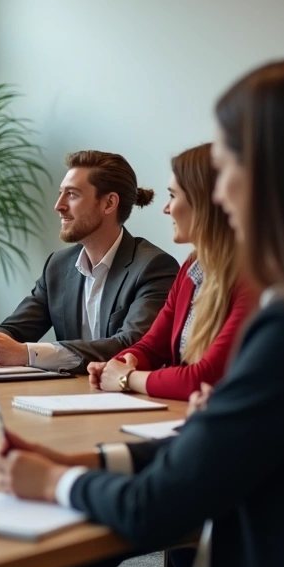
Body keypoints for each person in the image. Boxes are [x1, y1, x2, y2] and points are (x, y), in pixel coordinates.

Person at [0, 57, 284, 567]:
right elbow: (227, 448)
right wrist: (87, 461)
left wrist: (53, 483)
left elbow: (158, 509)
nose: (218, 194)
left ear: (276, 176)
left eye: (229, 167)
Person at [0, 151, 178, 373]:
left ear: (109, 203)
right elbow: (17, 328)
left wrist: (26, 353)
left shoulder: (153, 267)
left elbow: (131, 345)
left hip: (131, 399)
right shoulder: (58, 265)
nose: (58, 205)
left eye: (72, 195)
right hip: (69, 397)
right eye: (60, 194)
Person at [87, 144, 256, 400]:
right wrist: (115, 366)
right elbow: (152, 346)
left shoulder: (252, 279)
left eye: (173, 196)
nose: (166, 209)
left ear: (205, 202)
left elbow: (202, 378)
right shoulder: (192, 268)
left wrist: (125, 378)